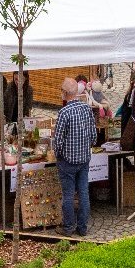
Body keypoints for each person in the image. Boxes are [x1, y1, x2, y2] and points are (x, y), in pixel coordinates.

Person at [53, 77, 99, 237]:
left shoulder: (64, 112)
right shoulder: (86, 109)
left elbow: (58, 140)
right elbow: (94, 135)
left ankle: (68, 228)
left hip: (68, 161)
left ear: (65, 93)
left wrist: (58, 155)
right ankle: (83, 228)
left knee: (68, 195)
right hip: (84, 159)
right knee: (84, 193)